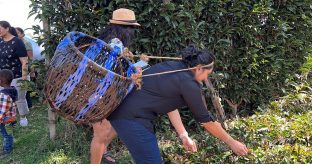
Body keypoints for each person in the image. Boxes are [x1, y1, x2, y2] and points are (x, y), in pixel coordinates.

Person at [107, 45, 249, 163]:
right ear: (199, 68)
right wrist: (232, 143)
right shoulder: (190, 83)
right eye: (207, 74)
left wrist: (183, 135)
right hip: (131, 118)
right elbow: (206, 121)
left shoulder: (175, 67)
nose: (206, 78)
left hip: (127, 114)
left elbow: (170, 106)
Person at [90, 8, 196, 164]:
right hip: (103, 95)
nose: (132, 32)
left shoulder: (109, 42)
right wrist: (140, 66)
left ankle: (102, 156)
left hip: (106, 95)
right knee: (102, 134)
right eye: (131, 28)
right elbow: (119, 72)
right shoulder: (115, 44)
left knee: (107, 133)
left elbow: (124, 69)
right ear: (125, 28)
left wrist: (141, 63)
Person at [0, 21, 29, 127]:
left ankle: (23, 117)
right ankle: (10, 120)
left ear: (7, 28)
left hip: (18, 76)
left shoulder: (17, 42)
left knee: (19, 98)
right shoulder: (0, 41)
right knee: (5, 100)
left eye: (0, 29)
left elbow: (24, 61)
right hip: (3, 77)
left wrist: (24, 77)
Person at [0, 69, 17, 158]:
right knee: (9, 133)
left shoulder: (3, 95)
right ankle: (8, 144)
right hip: (11, 117)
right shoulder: (14, 90)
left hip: (4, 119)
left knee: (6, 135)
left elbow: (2, 110)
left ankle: (7, 150)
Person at [16, 27, 33, 109]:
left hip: (26, 66)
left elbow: (31, 57)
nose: (16, 34)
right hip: (19, 67)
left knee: (25, 88)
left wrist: (32, 70)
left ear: (23, 34)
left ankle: (29, 105)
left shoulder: (26, 43)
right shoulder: (15, 43)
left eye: (18, 33)